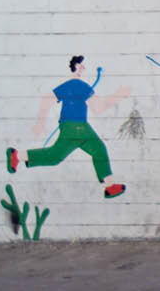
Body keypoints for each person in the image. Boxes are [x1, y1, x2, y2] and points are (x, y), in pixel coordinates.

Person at [7, 55, 125, 198]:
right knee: (99, 149)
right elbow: (98, 108)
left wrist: (40, 122)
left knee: (55, 156)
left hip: (67, 127)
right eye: (81, 65)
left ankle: (17, 155)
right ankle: (110, 186)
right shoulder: (81, 86)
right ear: (76, 67)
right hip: (78, 127)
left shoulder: (67, 85)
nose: (83, 68)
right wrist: (118, 96)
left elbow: (46, 100)